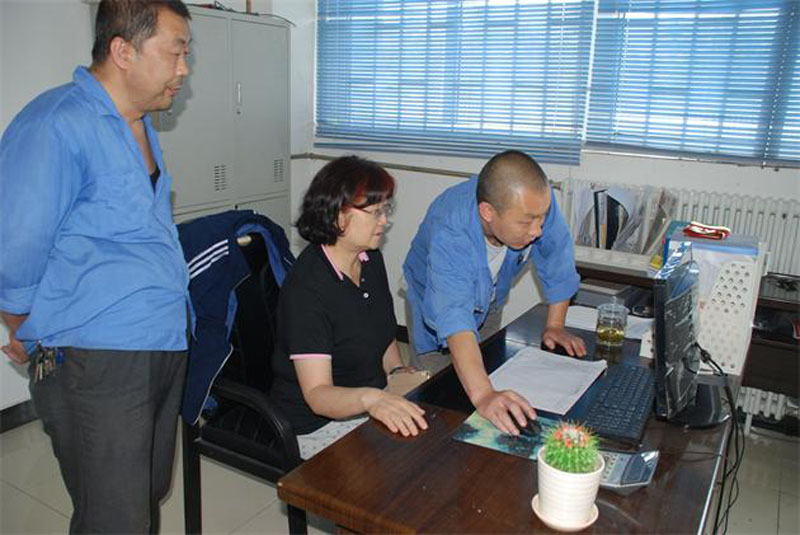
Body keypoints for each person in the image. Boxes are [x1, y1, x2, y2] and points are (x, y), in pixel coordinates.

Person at [0, 1, 192, 532]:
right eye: (175, 52)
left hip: (159, 341)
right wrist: (25, 326)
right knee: (115, 517)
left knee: (144, 494)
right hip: (97, 357)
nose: (183, 70)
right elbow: (14, 247)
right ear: (123, 51)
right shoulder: (56, 123)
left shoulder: (139, 125)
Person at [403, 150, 587, 436]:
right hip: (436, 300)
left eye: (541, 219)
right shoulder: (451, 231)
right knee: (439, 397)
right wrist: (484, 395)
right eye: (526, 223)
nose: (537, 231)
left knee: (489, 375)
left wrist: (555, 325)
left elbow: (557, 257)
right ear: (487, 212)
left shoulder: (534, 203)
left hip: (489, 296)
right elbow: (454, 316)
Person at [271, 156, 428, 445]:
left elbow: (381, 331)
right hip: (316, 424)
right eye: (375, 212)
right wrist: (372, 399)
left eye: (386, 210)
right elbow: (317, 395)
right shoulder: (307, 289)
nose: (384, 221)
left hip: (369, 402)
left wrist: (396, 372)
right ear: (339, 216)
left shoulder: (369, 258)